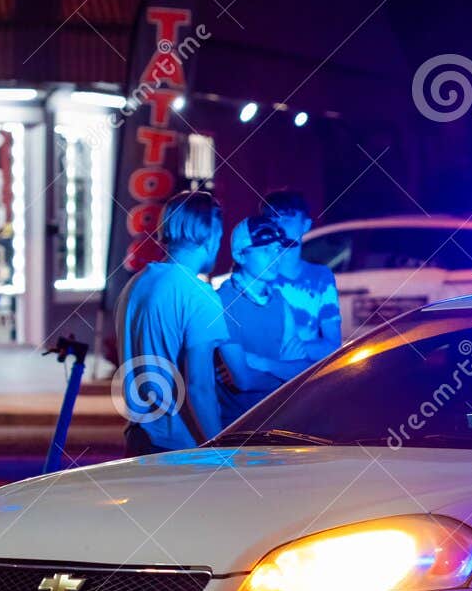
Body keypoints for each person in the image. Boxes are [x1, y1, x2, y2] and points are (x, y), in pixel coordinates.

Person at [113, 191, 251, 455]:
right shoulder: (199, 295)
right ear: (210, 235)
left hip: (139, 437)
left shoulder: (136, 285)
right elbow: (199, 387)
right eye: (219, 235)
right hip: (180, 447)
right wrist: (218, 451)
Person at [214, 214, 325, 425]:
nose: (276, 257)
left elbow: (305, 372)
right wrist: (284, 370)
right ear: (240, 255)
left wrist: (261, 363)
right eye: (266, 250)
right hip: (238, 430)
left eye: (277, 249)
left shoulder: (279, 301)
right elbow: (243, 381)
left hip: (279, 423)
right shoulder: (223, 302)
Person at [263, 190, 343, 353]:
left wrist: (291, 352)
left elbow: (332, 345)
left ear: (305, 225)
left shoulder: (321, 277)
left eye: (287, 220)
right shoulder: (258, 277)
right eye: (272, 220)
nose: (279, 227)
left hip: (306, 375)